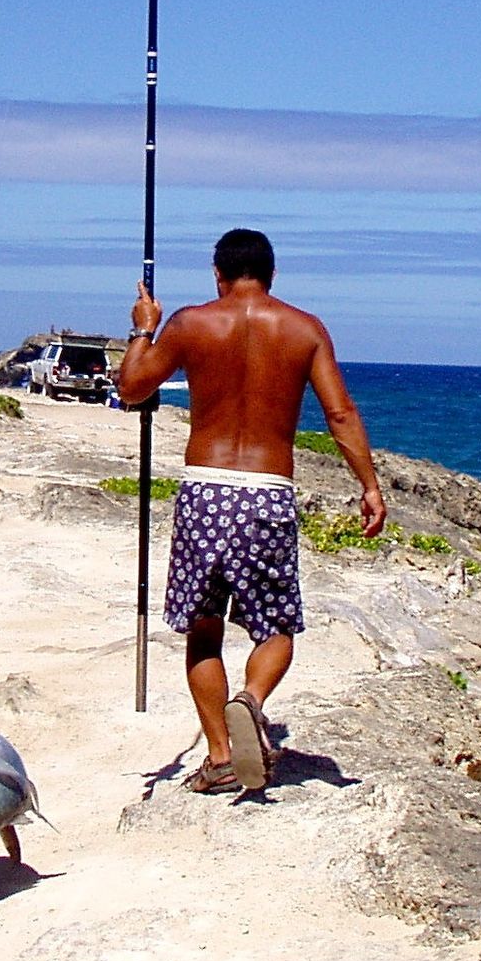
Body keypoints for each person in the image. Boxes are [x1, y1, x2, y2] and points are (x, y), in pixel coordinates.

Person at [115, 228, 384, 794]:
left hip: (205, 490)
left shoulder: (190, 323)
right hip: (266, 490)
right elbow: (339, 415)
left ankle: (218, 755)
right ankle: (252, 699)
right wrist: (369, 485)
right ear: (273, 274)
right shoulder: (304, 329)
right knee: (278, 624)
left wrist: (144, 327)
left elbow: (134, 387)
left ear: (218, 274)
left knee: (203, 630)